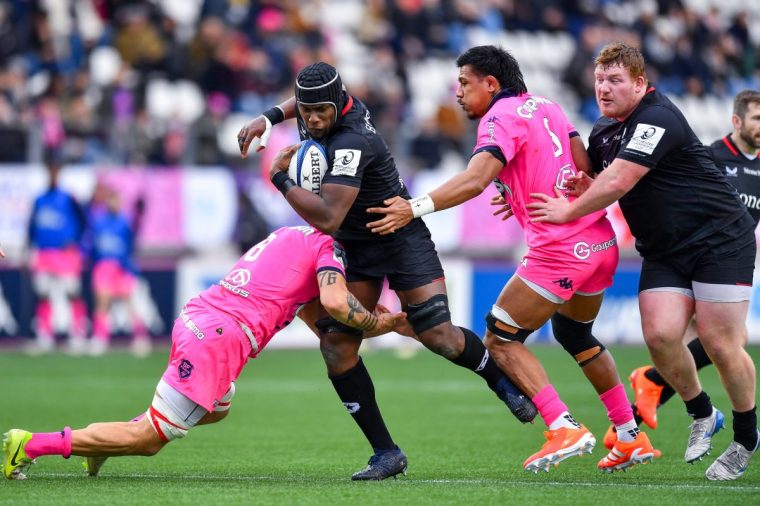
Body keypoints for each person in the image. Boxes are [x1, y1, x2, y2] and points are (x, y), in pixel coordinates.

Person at [237, 61, 537, 480]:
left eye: (321, 111)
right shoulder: (317, 109)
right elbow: (302, 101)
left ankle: (498, 379)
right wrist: (268, 117)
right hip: (356, 245)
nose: (313, 119)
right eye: (307, 112)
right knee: (337, 348)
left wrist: (281, 180)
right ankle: (386, 453)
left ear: (340, 102)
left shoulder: (352, 139)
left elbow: (326, 217)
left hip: (399, 235)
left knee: (439, 337)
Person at [365, 45, 655, 473]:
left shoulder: (498, 117)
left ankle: (563, 425)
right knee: (578, 337)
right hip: (599, 242)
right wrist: (517, 189)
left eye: (464, 83)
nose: (458, 92)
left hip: (559, 249)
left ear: (491, 84)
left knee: (499, 339)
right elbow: (582, 166)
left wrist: (414, 206)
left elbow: (475, 178)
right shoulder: (546, 105)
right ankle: (629, 434)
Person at [2, 225, 406, 481]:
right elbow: (336, 306)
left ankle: (104, 441)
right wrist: (377, 324)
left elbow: (323, 324)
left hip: (201, 315)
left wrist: (359, 324)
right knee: (150, 438)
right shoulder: (328, 247)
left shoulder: (291, 235)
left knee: (218, 407)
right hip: (219, 337)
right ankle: (31, 444)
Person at [528, 42, 758, 481]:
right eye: (599, 80)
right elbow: (596, 178)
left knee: (720, 343)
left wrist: (568, 210)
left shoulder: (658, 116)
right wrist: (567, 188)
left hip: (720, 241)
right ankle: (703, 413)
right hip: (664, 249)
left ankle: (747, 436)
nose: (604, 88)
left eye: (615, 80)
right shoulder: (602, 131)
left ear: (639, 83)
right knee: (659, 335)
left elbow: (620, 178)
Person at [605, 89, 760, 448]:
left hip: (728, 261)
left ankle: (633, 419)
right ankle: (646, 402)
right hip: (692, 257)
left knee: (717, 344)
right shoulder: (710, 157)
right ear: (736, 121)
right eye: (756, 118)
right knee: (715, 343)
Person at [26, 158, 88, 354]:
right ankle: (45, 335)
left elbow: (83, 222)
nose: (53, 175)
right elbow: (31, 227)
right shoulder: (39, 199)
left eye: (55, 171)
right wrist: (29, 250)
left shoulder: (68, 198)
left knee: (72, 293)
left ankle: (77, 334)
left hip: (65, 254)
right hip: (44, 253)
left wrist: (75, 241)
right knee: (43, 294)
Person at [86, 184, 151, 357]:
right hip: (103, 266)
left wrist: (140, 210)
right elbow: (90, 241)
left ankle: (140, 336)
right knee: (102, 302)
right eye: (112, 200)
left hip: (122, 267)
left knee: (130, 302)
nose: (115, 203)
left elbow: (135, 233)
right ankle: (100, 338)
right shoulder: (99, 221)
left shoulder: (125, 222)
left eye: (117, 201)